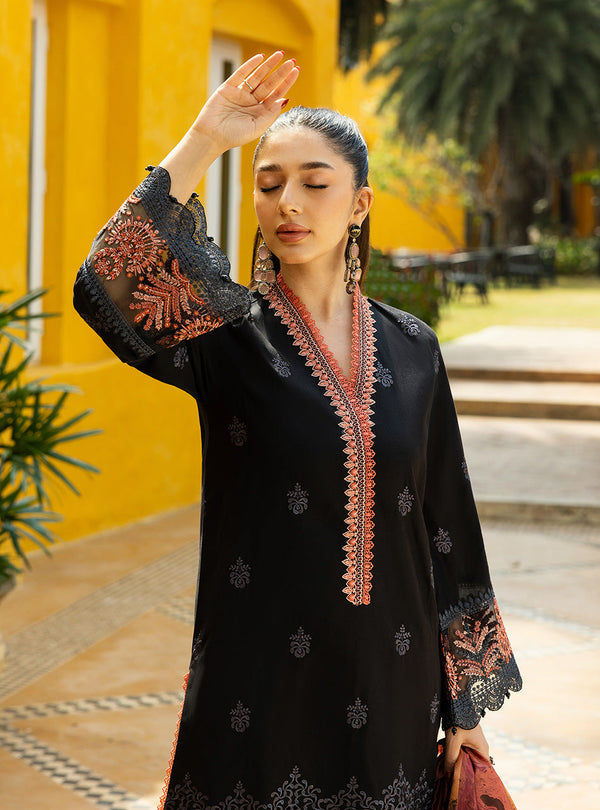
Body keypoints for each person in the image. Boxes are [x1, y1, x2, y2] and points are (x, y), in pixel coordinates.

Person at [74, 52, 522, 810]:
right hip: (256, 690)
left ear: (359, 203)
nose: (288, 202)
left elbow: (446, 527)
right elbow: (106, 284)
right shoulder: (224, 336)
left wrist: (465, 710)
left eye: (315, 183)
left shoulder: (414, 348)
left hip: (396, 686)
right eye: (268, 183)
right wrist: (206, 138)